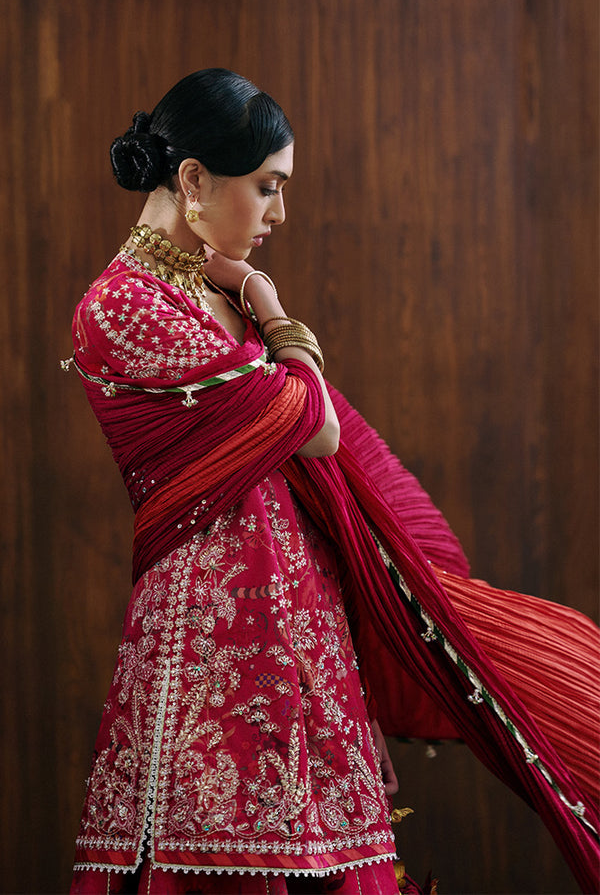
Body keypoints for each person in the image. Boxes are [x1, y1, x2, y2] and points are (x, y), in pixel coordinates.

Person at [65, 69, 599, 895]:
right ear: (194, 180)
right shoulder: (124, 307)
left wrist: (350, 676)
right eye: (267, 186)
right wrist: (270, 305)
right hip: (210, 649)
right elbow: (313, 425)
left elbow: (306, 450)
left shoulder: (209, 295)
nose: (278, 213)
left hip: (304, 625)